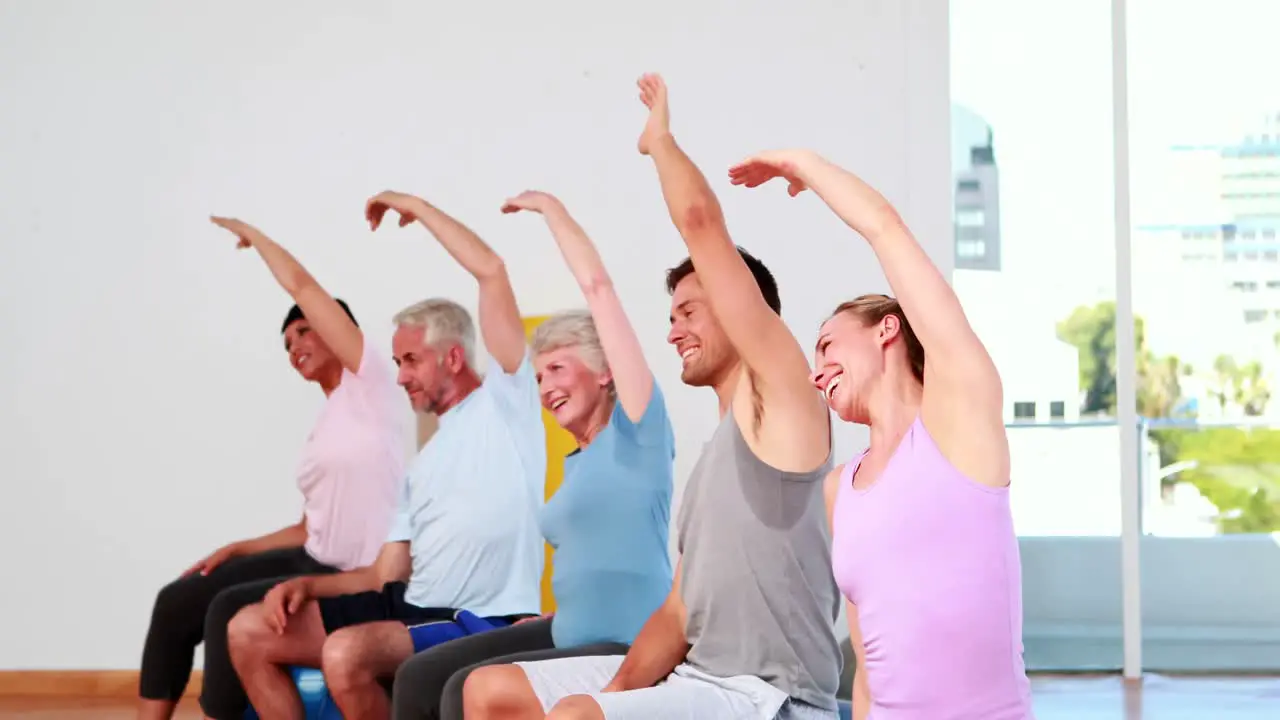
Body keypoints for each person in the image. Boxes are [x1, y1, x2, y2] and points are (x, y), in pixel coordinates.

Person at [463, 74, 842, 720]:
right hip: (699, 678)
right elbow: (678, 611)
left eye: (690, 309)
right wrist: (611, 697)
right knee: (489, 693)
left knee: (578, 719)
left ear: (739, 307)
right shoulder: (710, 466)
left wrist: (660, 143)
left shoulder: (786, 400)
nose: (673, 329)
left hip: (772, 699)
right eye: (672, 315)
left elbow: (700, 222)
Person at [729, 148, 1034, 719]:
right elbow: (868, 669)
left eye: (826, 345)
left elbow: (884, 226)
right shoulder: (839, 489)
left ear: (886, 329)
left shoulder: (959, 418)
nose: (816, 371)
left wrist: (804, 166)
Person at [223, 192, 547, 720]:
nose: (399, 376)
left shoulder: (506, 408)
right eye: (396, 362)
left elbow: (491, 271)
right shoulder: (420, 467)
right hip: (410, 603)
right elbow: (383, 574)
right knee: (248, 630)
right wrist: (305, 584)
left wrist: (414, 208)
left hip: (482, 615)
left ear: (455, 357)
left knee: (344, 654)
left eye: (411, 360)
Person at [389, 190, 676, 720]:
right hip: (566, 628)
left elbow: (598, 288)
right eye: (541, 376)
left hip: (628, 642)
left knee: (463, 690)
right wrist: (556, 617)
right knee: (419, 676)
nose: (545, 387)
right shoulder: (575, 460)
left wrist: (553, 212)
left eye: (559, 370)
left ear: (605, 370)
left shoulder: (639, 433)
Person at [137, 218, 405, 720]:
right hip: (312, 554)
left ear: (336, 331)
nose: (294, 345)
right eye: (286, 343)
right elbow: (311, 524)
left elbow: (303, 285)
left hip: (357, 573)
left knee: (225, 612)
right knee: (178, 598)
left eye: (304, 330)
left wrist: (256, 238)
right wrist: (240, 547)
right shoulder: (325, 424)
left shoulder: (370, 385)